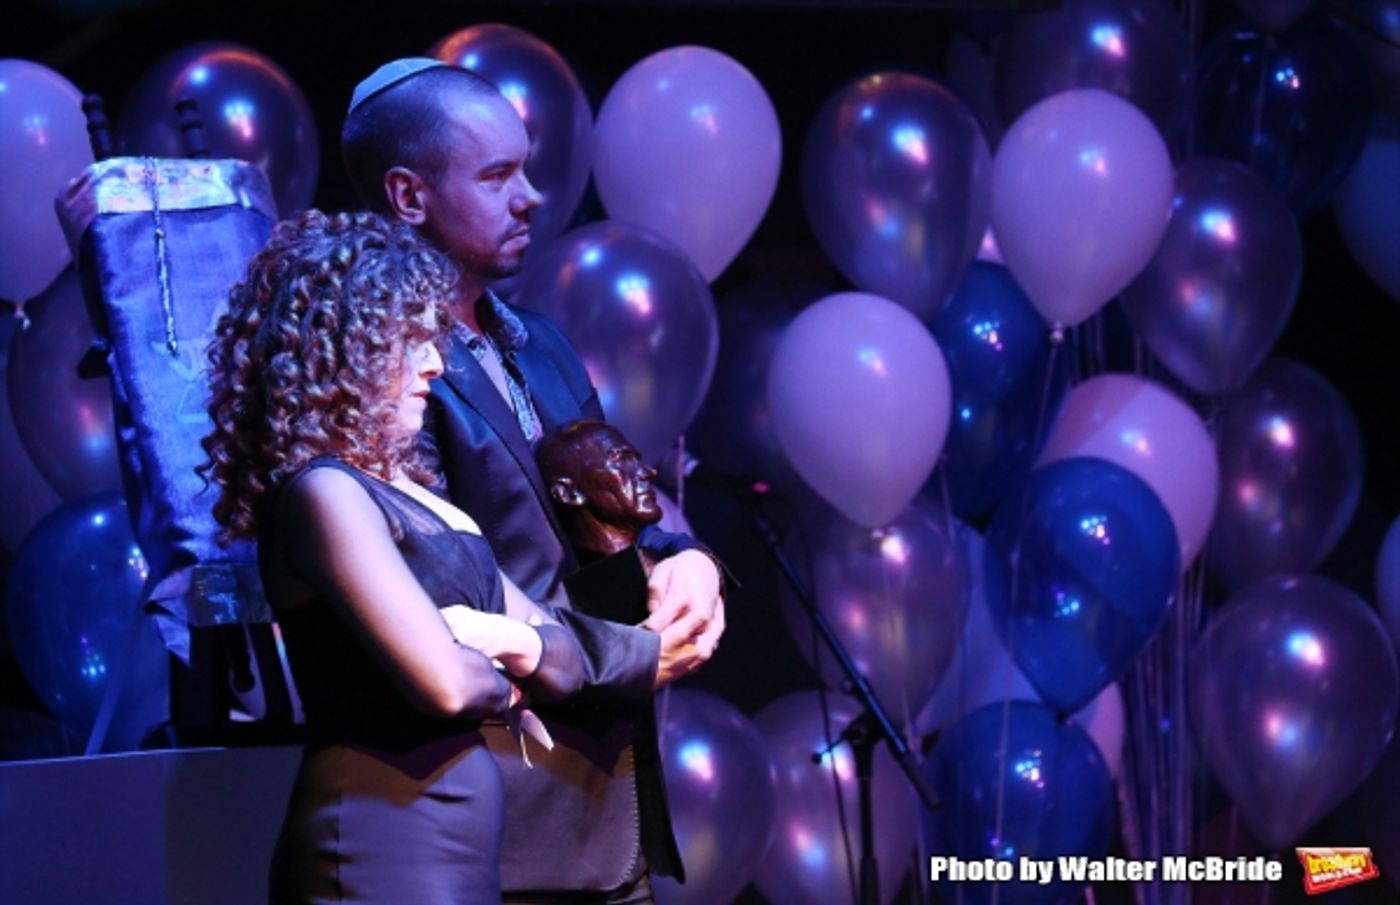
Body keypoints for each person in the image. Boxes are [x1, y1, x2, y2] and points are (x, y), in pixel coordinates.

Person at [341, 59, 726, 903]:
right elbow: (451, 592)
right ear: (408, 196)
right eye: (496, 176)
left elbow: (611, 506)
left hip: (608, 800)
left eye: (526, 169)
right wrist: (636, 654)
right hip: (495, 815)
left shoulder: (541, 343)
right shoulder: (387, 374)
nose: (531, 197)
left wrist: (687, 558)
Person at [200, 209, 585, 904]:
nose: (436, 363)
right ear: (347, 349)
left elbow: (561, 651)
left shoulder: (407, 494)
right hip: (378, 846)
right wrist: (512, 676)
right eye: (412, 341)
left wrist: (500, 642)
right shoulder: (324, 493)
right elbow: (448, 685)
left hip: (449, 850)